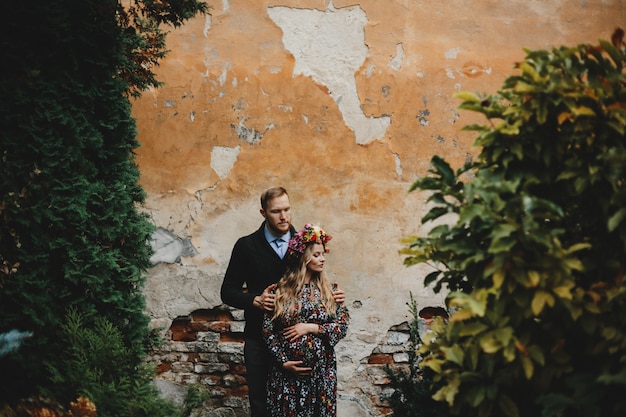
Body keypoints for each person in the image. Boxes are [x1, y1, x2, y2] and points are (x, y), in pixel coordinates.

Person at [220, 187, 345, 417]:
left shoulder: (304, 242)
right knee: (262, 405)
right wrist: (254, 300)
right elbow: (227, 292)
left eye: (287, 209)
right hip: (260, 337)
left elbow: (316, 274)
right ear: (263, 213)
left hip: (301, 348)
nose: (284, 216)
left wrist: (332, 296)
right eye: (276, 211)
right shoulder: (246, 246)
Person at [262, 224, 349, 417]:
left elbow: (342, 326)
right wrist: (283, 362)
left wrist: (310, 328)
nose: (322, 259)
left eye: (323, 254)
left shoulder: (331, 291)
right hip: (286, 377)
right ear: (303, 258)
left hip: (321, 375)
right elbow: (269, 332)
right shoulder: (280, 291)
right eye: (316, 255)